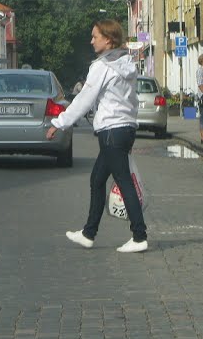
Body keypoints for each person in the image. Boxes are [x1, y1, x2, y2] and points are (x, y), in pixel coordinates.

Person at [46, 19, 148, 253]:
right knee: (97, 179)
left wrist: (59, 123)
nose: (91, 41)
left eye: (95, 36)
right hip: (124, 128)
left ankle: (139, 235)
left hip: (112, 131)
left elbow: (84, 99)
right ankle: (88, 233)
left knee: (123, 182)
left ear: (108, 39)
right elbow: (132, 100)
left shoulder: (102, 66)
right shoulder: (126, 63)